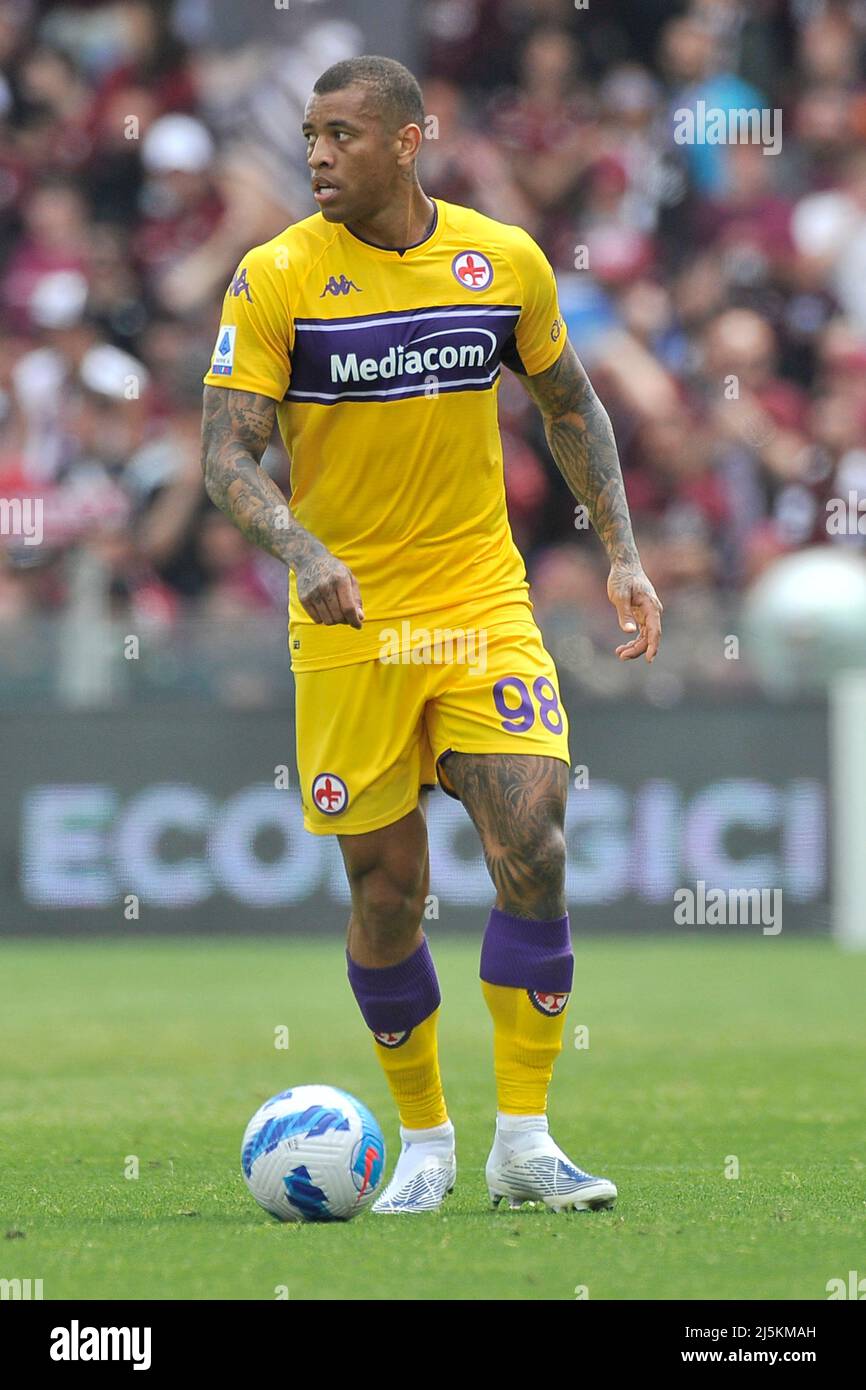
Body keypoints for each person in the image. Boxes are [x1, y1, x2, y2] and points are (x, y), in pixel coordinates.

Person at [201, 55, 662, 1214]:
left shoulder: (498, 261)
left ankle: (524, 1139)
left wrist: (618, 549)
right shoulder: (276, 278)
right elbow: (224, 454)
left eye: (342, 134)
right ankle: (423, 1140)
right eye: (308, 134)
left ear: (410, 141)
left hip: (476, 606)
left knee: (534, 848)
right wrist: (301, 551)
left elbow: (571, 403)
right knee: (387, 891)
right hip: (349, 620)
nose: (316, 154)